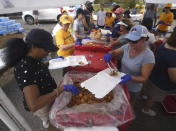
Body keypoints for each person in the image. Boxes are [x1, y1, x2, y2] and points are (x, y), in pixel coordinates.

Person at [2, 29, 79, 130]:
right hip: (42, 105)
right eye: (46, 50)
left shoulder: (32, 59)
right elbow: (34, 105)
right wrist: (61, 89)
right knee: (52, 122)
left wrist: (53, 61)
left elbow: (37, 68)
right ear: (34, 47)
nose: (48, 53)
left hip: (49, 96)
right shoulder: (25, 68)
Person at [104, 25, 155, 106]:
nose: (131, 43)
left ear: (144, 39)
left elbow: (144, 78)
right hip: (121, 82)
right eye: (129, 39)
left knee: (129, 105)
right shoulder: (128, 46)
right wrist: (110, 54)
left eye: (134, 41)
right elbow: (115, 52)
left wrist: (130, 77)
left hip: (133, 88)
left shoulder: (148, 56)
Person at [142, 27, 176, 116]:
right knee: (153, 97)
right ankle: (146, 109)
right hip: (161, 82)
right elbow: (174, 78)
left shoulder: (165, 43)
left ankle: (144, 96)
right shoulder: (173, 55)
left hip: (153, 73)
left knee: (148, 89)